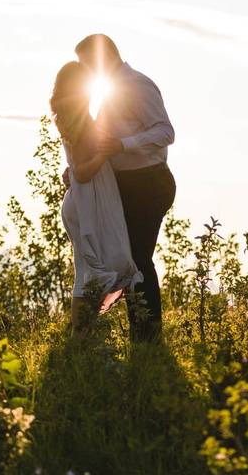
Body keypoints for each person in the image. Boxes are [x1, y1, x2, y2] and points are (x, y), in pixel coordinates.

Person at [75, 34, 176, 342]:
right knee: (129, 261)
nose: (86, 73)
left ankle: (147, 339)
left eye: (86, 65)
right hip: (127, 187)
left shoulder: (137, 86)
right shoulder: (108, 94)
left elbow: (165, 131)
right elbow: (102, 145)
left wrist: (123, 144)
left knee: (137, 261)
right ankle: (142, 336)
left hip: (149, 182)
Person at [50, 61, 142, 335]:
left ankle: (80, 332)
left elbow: (76, 167)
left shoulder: (71, 117)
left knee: (90, 269)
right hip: (88, 199)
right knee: (99, 267)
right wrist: (105, 152)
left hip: (82, 200)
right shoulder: (78, 120)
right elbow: (83, 171)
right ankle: (80, 332)